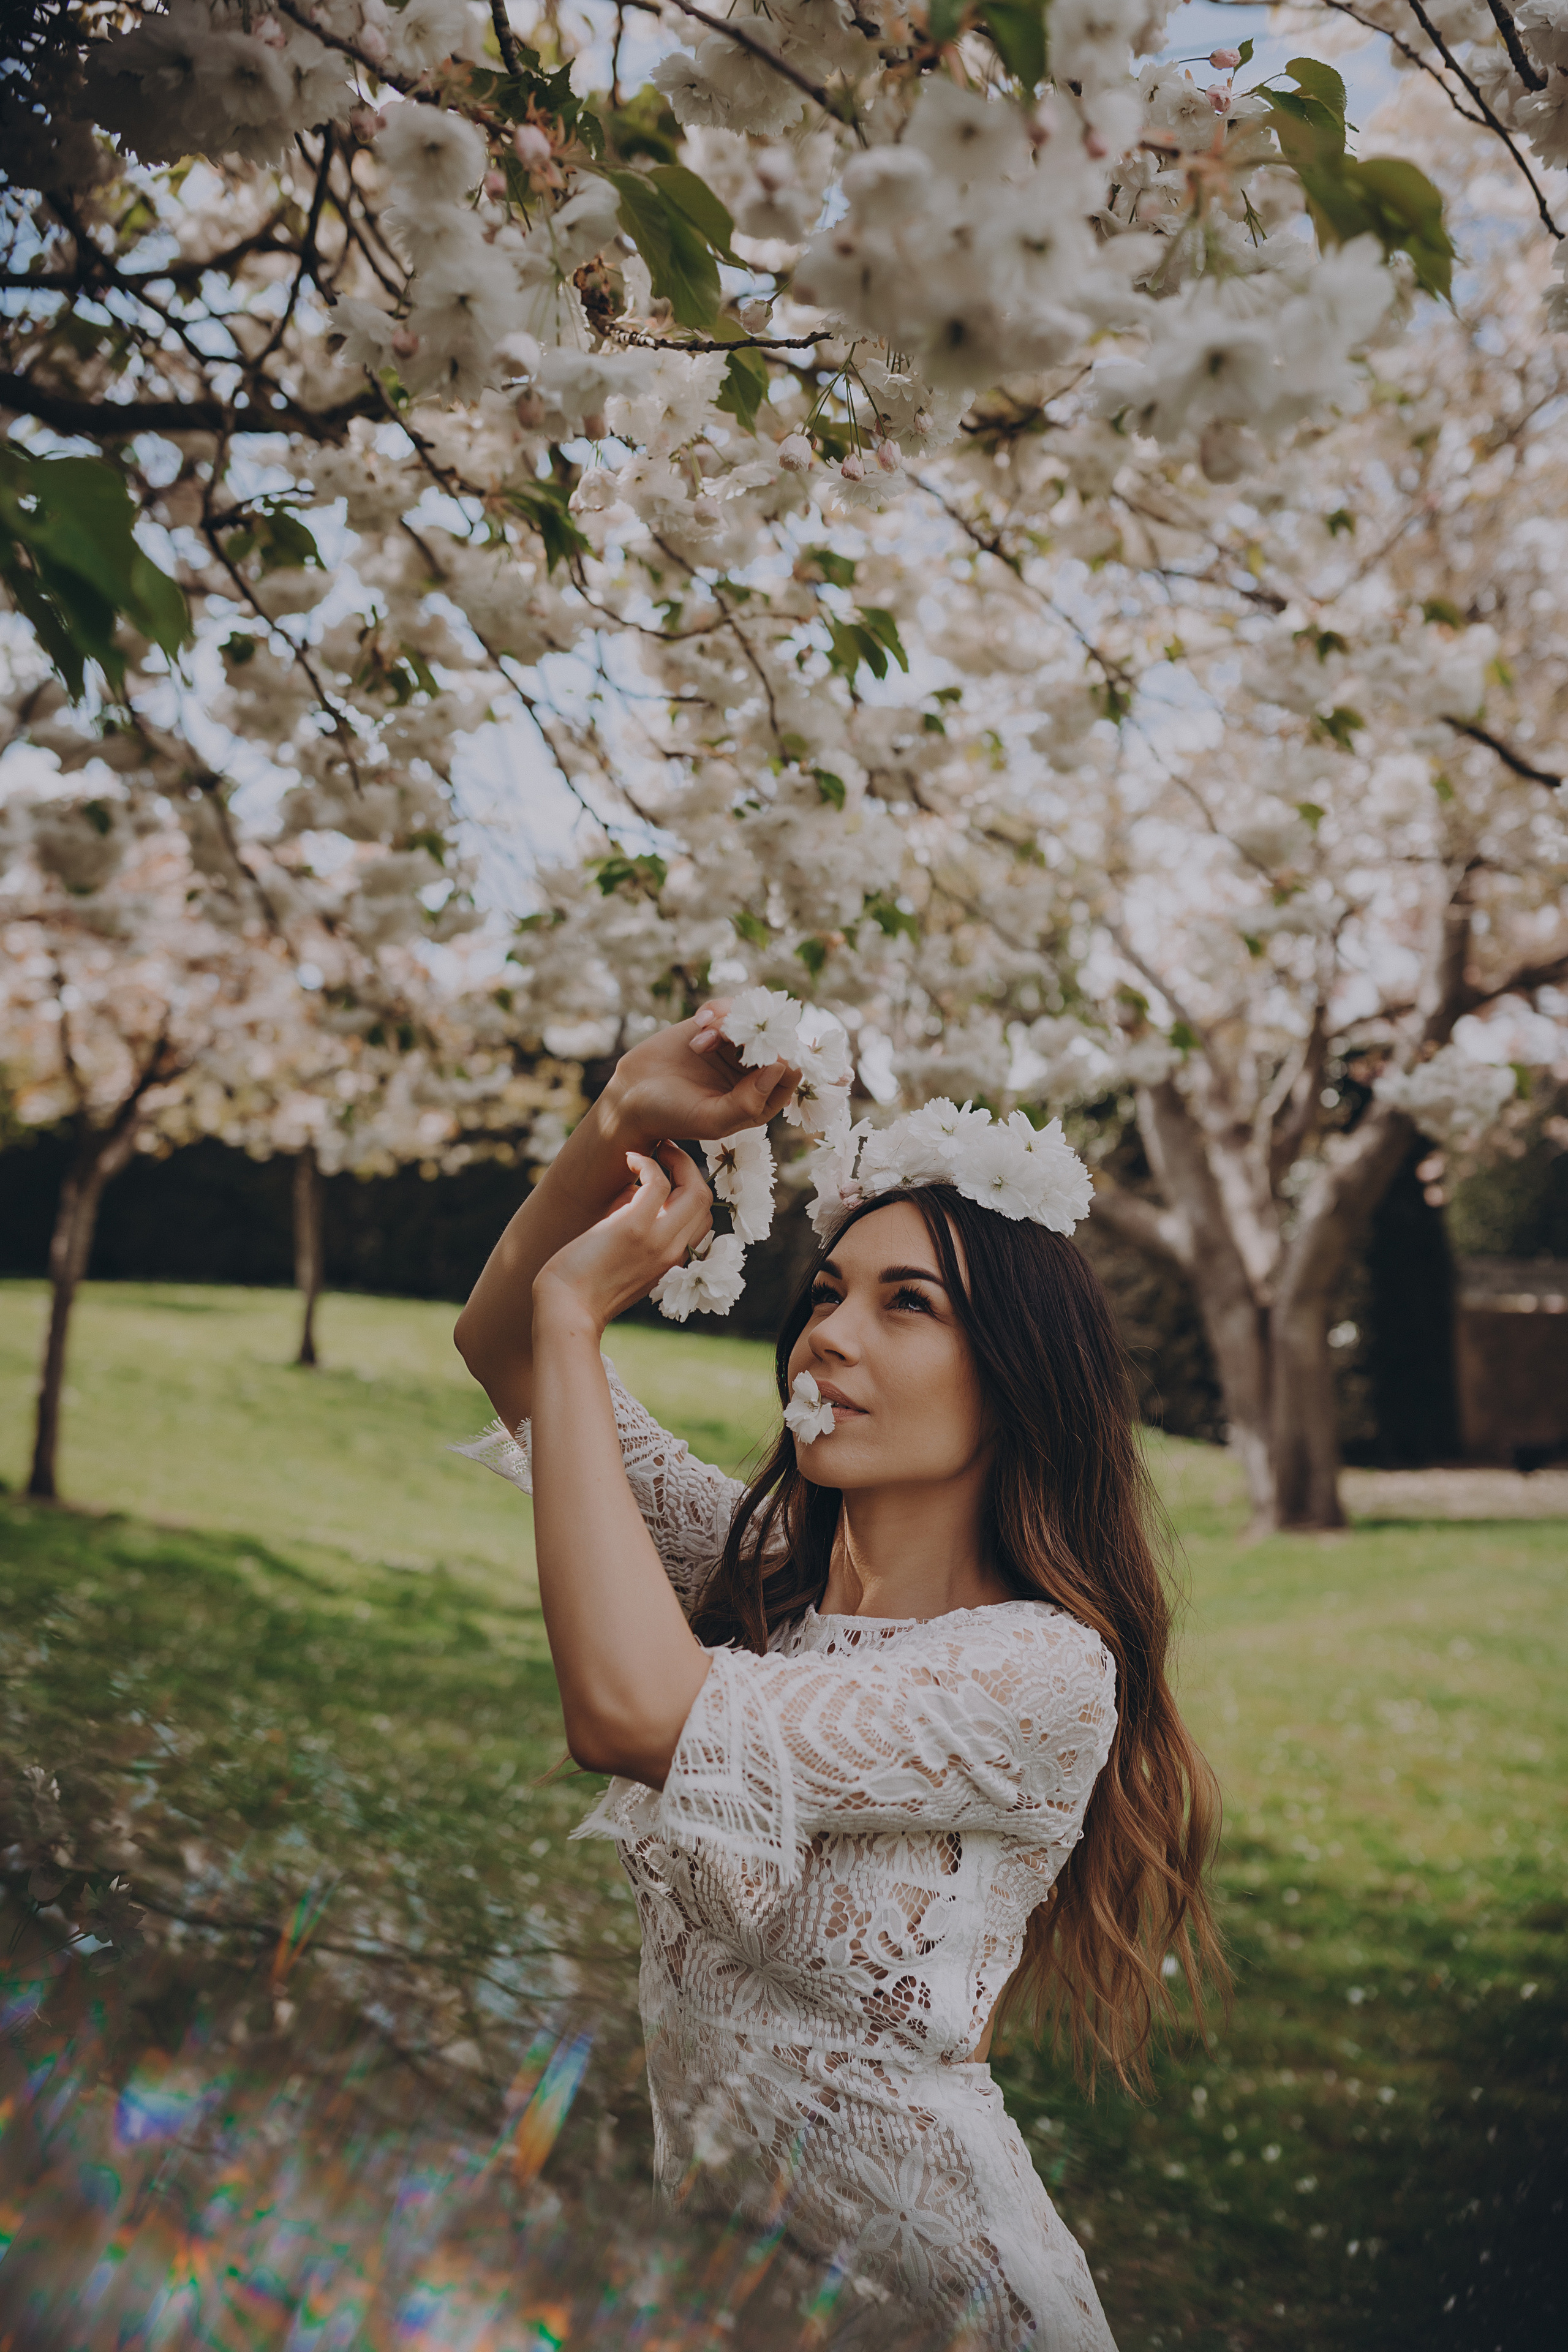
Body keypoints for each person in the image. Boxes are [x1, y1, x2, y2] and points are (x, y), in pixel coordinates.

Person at [454, 1004, 1224, 2351]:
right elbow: (502, 1346)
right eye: (824, 1293)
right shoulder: (757, 1580)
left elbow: (632, 1714)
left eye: (904, 1305)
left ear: (1016, 1379)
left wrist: (582, 1317)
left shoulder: (1037, 1671)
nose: (826, 1337)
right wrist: (623, 1117)